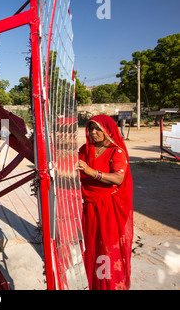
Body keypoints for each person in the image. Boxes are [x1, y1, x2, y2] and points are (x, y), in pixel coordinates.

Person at [78, 114, 133, 290]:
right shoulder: (85, 150)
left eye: (98, 129)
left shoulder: (116, 151)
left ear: (107, 130)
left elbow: (118, 178)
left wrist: (91, 172)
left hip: (108, 207)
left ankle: (110, 285)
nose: (93, 132)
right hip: (90, 206)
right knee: (93, 247)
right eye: (91, 128)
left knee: (108, 247)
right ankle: (96, 284)